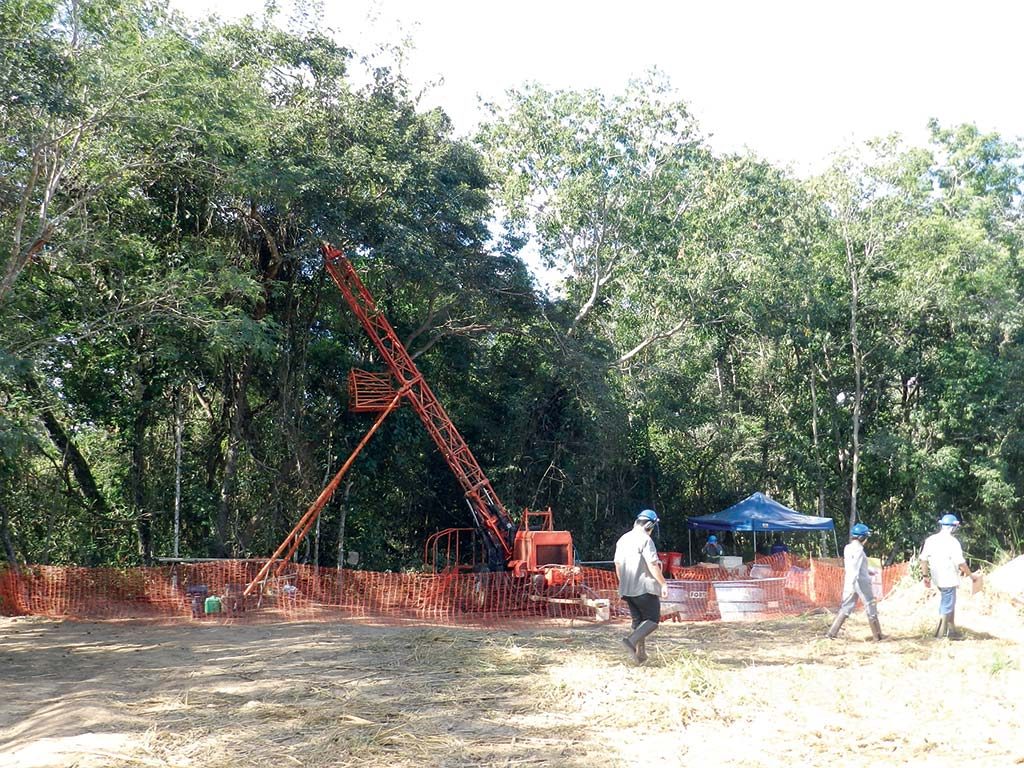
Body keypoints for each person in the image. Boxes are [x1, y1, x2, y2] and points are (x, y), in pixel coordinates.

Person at [614, 509, 668, 664]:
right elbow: (652, 564)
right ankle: (631, 642)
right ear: (650, 525)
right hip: (643, 587)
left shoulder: (623, 539)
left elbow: (617, 564)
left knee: (639, 622)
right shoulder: (645, 539)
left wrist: (622, 583)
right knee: (652, 620)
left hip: (627, 589)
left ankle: (641, 655)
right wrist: (663, 583)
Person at [919, 514, 980, 639]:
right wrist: (971, 575)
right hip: (948, 578)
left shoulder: (931, 539)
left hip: (937, 578)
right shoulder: (953, 542)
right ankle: (940, 635)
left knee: (950, 603)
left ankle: (952, 631)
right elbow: (960, 562)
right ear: (954, 527)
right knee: (946, 605)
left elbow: (923, 559)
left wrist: (925, 576)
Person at [826, 522, 883, 641]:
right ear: (862, 537)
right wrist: (854, 583)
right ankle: (877, 636)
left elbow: (854, 566)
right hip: (859, 581)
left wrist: (867, 571)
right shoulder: (859, 549)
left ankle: (831, 633)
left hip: (851, 580)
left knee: (846, 608)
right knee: (870, 606)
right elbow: (855, 567)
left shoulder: (848, 548)